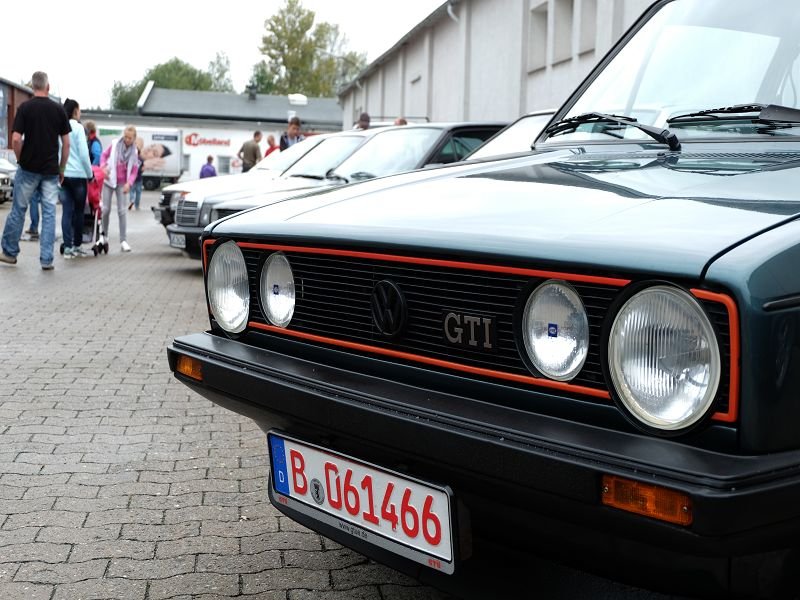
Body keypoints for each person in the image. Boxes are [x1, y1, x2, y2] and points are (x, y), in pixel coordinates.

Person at [0, 71, 71, 270]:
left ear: (32, 87)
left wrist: (21, 159)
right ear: (48, 87)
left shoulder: (25, 108)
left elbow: (15, 139)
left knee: (18, 210)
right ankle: (47, 259)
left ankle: (9, 253)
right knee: (49, 213)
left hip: (28, 168)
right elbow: (66, 144)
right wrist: (62, 168)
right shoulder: (58, 110)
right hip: (50, 170)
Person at [59, 98, 93, 259]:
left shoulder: (60, 126)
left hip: (64, 175)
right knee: (79, 212)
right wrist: (90, 174)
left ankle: (67, 247)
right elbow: (84, 154)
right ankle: (77, 245)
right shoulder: (79, 128)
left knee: (66, 211)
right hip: (79, 176)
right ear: (75, 111)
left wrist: (60, 170)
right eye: (79, 110)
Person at [99, 125, 139, 253]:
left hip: (122, 183)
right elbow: (104, 155)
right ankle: (104, 236)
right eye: (125, 137)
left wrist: (129, 183)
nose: (127, 140)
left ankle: (123, 241)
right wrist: (103, 167)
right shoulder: (115, 144)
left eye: (130, 138)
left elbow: (134, 170)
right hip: (109, 180)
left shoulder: (134, 152)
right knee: (105, 209)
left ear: (134, 139)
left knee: (122, 211)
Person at [129, 137, 144, 210]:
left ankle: (132, 200)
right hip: (139, 178)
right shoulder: (141, 159)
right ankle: (137, 206)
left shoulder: (132, 159)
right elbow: (143, 169)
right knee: (138, 193)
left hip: (132, 178)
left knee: (131, 191)